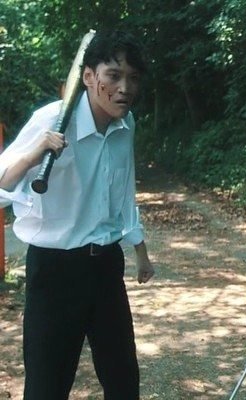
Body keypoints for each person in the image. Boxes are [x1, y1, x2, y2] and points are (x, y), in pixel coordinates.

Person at [0, 30, 154, 399]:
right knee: (47, 387)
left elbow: (123, 190)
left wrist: (140, 248)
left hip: (105, 267)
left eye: (133, 78)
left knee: (123, 381)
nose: (124, 88)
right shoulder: (51, 120)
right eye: (113, 76)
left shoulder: (125, 124)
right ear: (88, 76)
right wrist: (33, 154)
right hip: (55, 271)